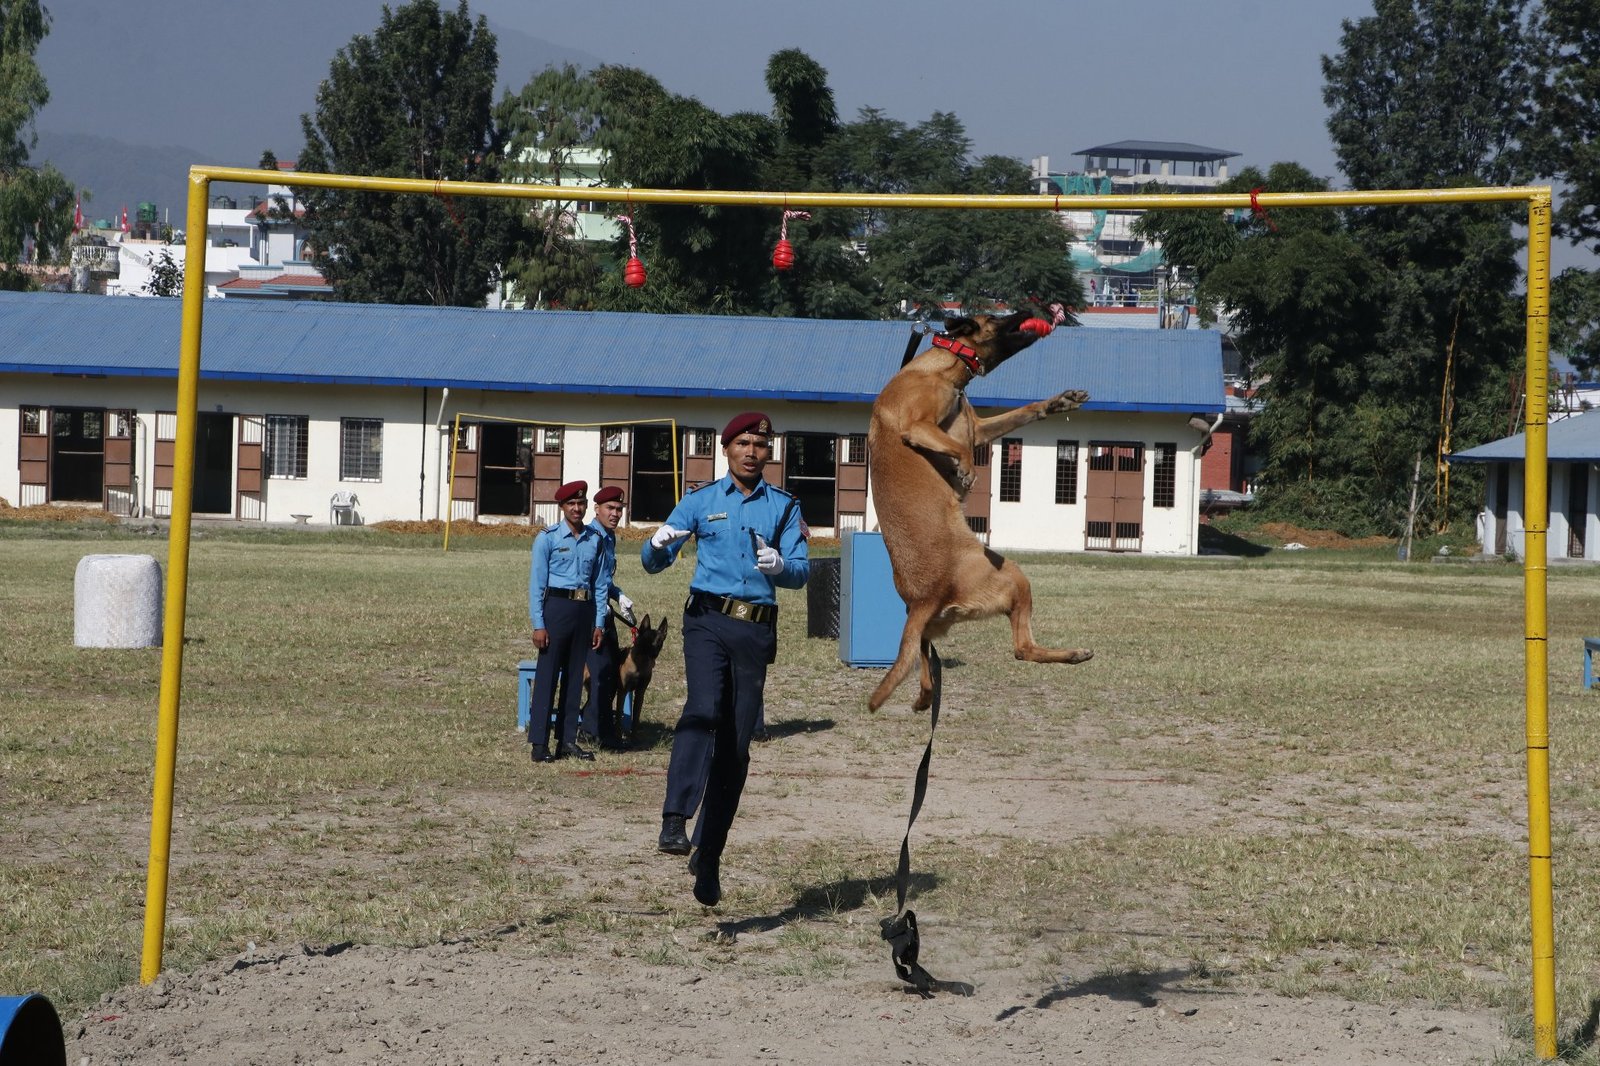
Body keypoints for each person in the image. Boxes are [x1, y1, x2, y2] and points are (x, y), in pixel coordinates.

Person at [641, 412, 809, 906]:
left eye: (760, 444)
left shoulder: (783, 506)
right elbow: (654, 562)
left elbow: (801, 571)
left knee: (736, 748)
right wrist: (656, 545)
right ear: (726, 449)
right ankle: (675, 818)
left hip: (754, 630)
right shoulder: (700, 501)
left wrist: (782, 566)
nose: (752, 452)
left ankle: (709, 855)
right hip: (706, 622)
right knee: (703, 708)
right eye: (743, 443)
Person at [527, 480, 611, 763]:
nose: (577, 508)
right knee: (548, 676)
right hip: (557, 608)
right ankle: (539, 743)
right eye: (571, 504)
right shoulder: (548, 538)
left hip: (584, 610)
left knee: (575, 677)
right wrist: (539, 624)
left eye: (581, 503)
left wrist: (598, 623)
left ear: (587, 506)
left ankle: (566, 740)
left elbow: (600, 584)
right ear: (562, 507)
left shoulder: (594, 539)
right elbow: (537, 584)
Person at [580, 485, 637, 750]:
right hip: (591, 615)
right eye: (610, 508)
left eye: (619, 509)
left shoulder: (609, 537)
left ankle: (599, 725)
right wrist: (598, 605)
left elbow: (605, 579)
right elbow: (583, 578)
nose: (615, 514)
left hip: (606, 614)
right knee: (601, 674)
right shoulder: (590, 537)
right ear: (597, 509)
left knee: (612, 674)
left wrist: (619, 595)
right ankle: (593, 732)